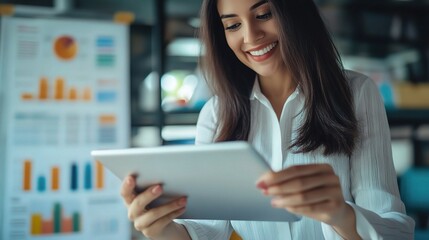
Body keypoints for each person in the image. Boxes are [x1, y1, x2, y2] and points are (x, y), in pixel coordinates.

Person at [120, 0, 415, 239]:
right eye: (233, 25)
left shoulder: (356, 93)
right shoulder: (216, 113)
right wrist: (160, 229)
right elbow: (209, 231)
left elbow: (396, 230)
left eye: (264, 14)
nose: (250, 36)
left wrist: (342, 215)